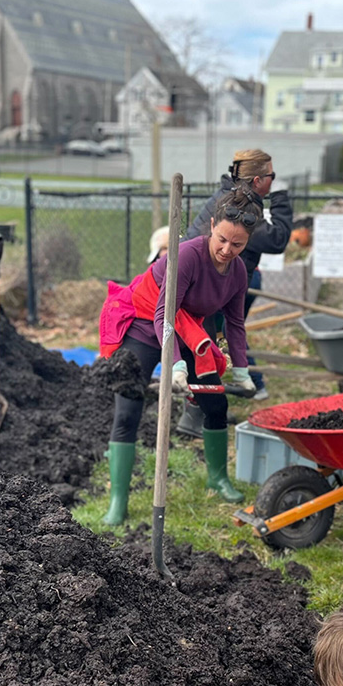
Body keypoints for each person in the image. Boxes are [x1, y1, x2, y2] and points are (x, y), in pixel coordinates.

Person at [97, 184, 261, 524]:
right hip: (145, 324)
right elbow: (163, 315)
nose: (227, 249)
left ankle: (217, 478)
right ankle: (118, 500)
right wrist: (174, 366)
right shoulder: (187, 255)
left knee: (216, 402)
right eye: (222, 240)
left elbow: (235, 323)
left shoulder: (239, 272)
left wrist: (243, 371)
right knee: (128, 407)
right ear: (212, 225)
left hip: (188, 329)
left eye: (238, 244)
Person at [178, 149, 292, 432]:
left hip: (214, 284)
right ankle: (197, 414)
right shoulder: (238, 209)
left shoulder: (231, 196)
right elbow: (277, 239)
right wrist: (280, 199)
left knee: (209, 345)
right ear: (257, 180)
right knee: (202, 349)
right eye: (271, 178)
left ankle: (204, 410)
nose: (272, 182)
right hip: (204, 287)